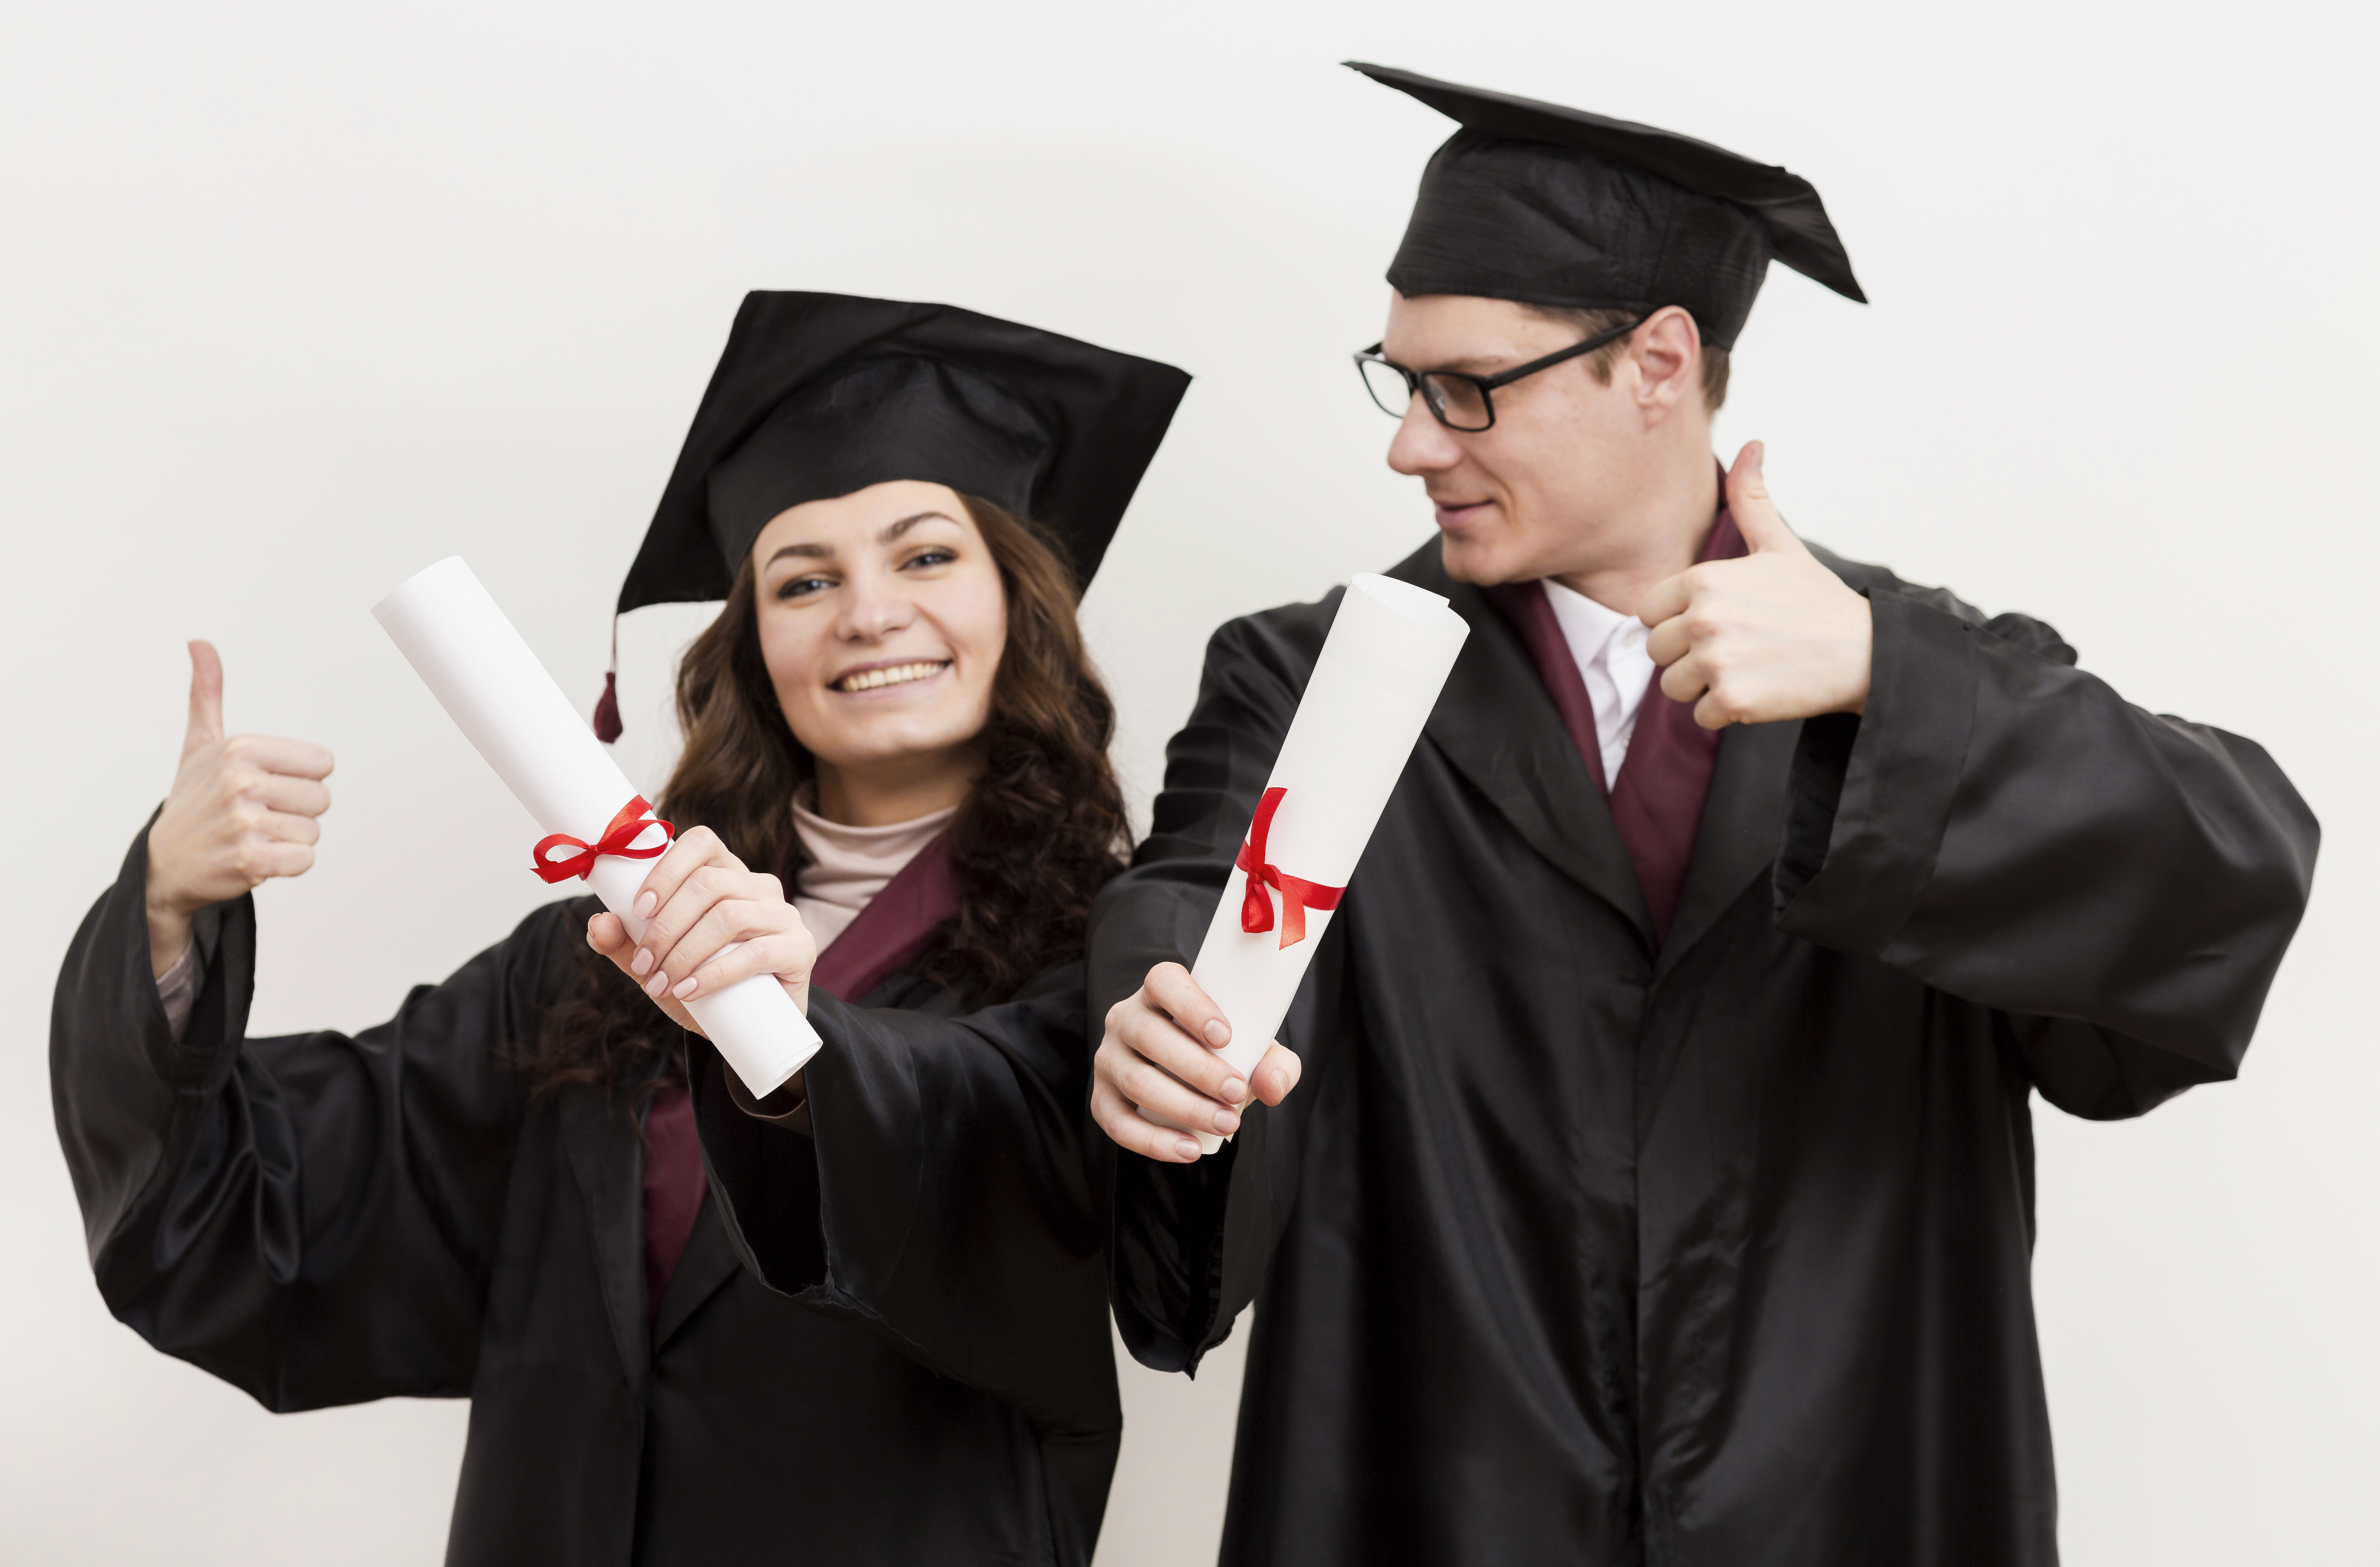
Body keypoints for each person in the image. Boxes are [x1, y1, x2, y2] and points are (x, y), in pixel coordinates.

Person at [1087, 64, 2318, 1567]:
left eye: (1467, 387)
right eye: (1399, 379)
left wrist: (1884, 683)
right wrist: (1151, 1013)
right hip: (1441, 1487)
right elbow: (1197, 897)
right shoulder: (1311, 678)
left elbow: (2230, 869)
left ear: (1658, 362)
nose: (1410, 443)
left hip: (1848, 1490)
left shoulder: (1922, 669)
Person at [51, 291, 1188, 1567]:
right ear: (755, 644)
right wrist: (165, 909)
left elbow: (1049, 1208)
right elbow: (253, 1216)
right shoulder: (597, 962)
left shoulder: (1105, 968)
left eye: (925, 556)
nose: (866, 613)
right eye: (802, 578)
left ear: (1015, 604)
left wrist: (793, 1032)